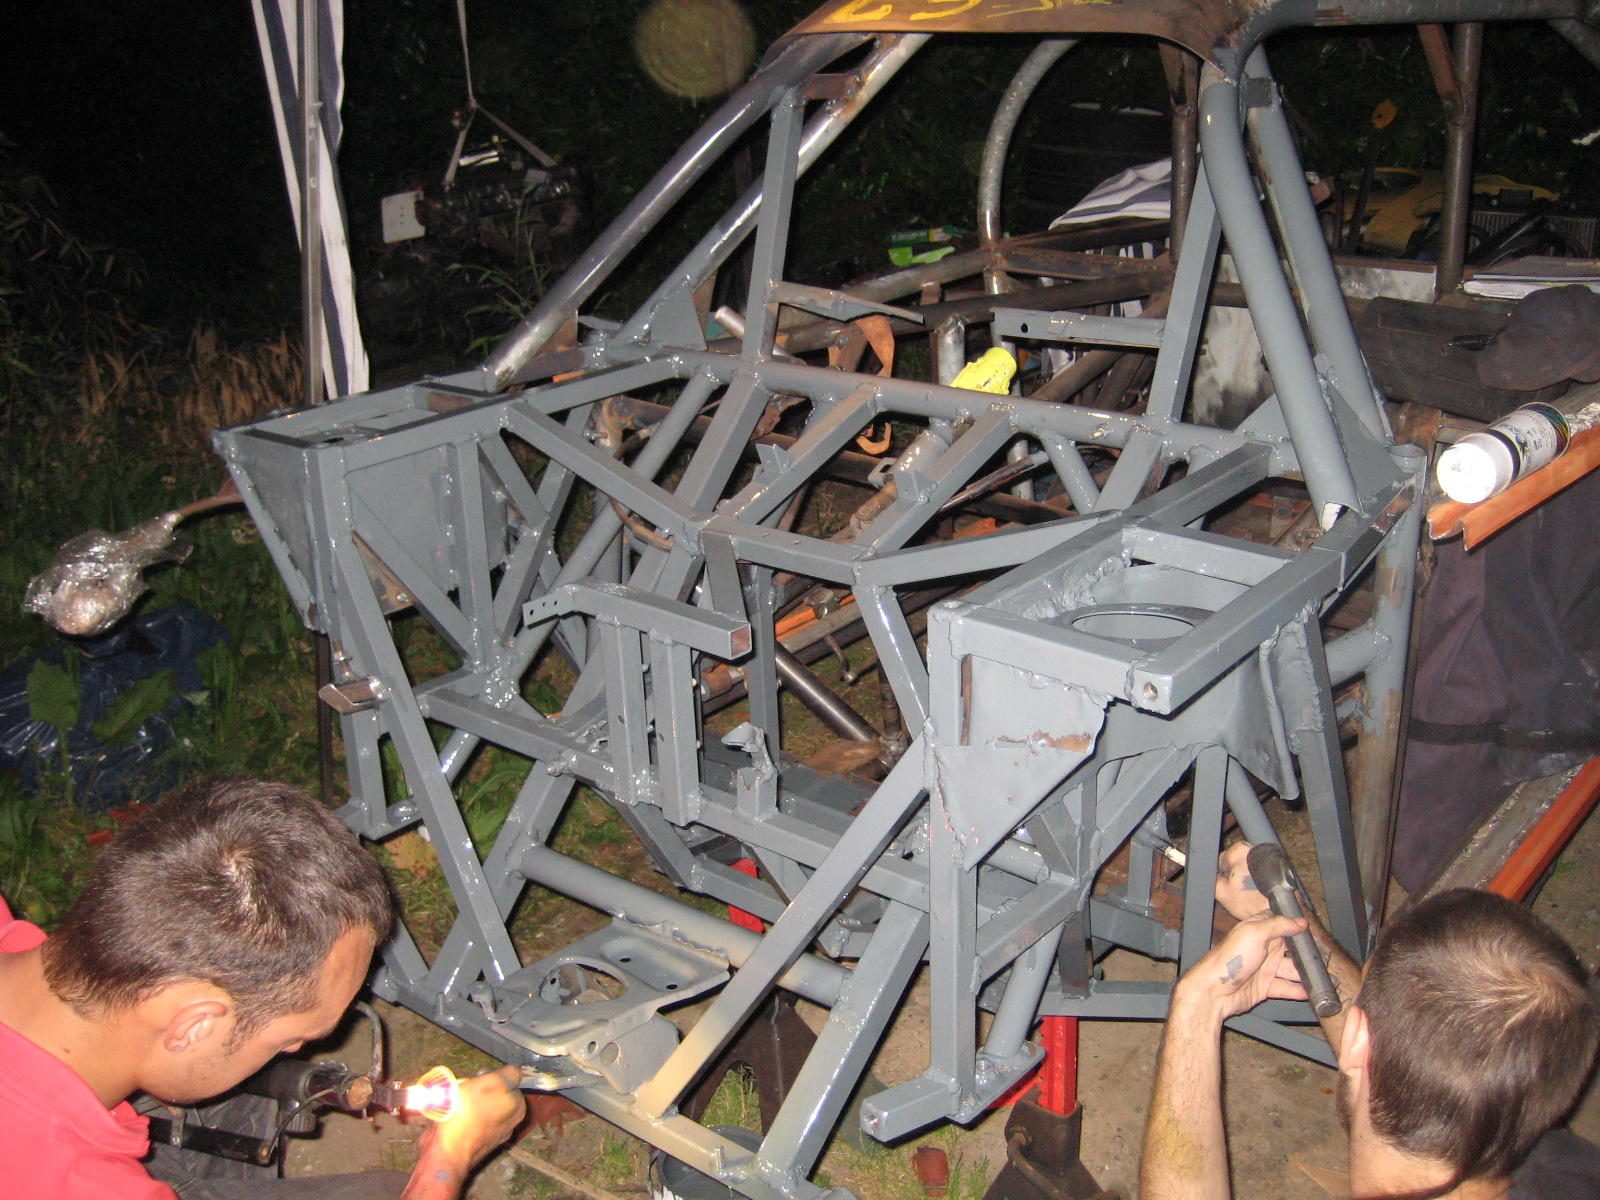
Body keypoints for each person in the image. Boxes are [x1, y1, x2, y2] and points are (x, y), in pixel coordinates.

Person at [0, 776, 527, 1199]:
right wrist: (445, 1162)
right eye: (291, 1038)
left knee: (239, 1087)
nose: (298, 1049)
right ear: (193, 1025)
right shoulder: (70, 1181)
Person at [1141, 842, 1600, 1200]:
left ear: (1358, 1039)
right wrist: (1298, 926)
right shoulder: (1569, 1170)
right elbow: (1398, 1052)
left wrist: (1197, 1004)